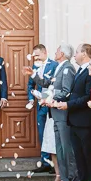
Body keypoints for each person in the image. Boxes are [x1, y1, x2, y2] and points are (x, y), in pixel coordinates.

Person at [57, 43, 91, 181]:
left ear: (85, 54)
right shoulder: (80, 70)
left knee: (88, 158)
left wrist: (68, 105)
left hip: (86, 121)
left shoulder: (90, 71)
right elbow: (73, 94)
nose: (74, 55)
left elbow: (88, 97)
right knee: (79, 158)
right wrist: (58, 101)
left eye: (77, 52)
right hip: (74, 120)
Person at [48, 44, 80, 181]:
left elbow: (66, 92)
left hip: (63, 114)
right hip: (55, 113)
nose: (55, 53)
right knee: (60, 149)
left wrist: (51, 97)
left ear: (61, 53)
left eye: (56, 50)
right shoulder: (59, 67)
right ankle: (65, 180)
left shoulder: (68, 68)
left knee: (67, 150)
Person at [26, 44, 57, 173]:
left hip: (50, 105)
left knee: (51, 133)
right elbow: (30, 84)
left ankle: (54, 163)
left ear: (45, 53)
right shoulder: (34, 67)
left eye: (37, 55)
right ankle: (45, 161)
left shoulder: (54, 65)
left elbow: (53, 85)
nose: (35, 58)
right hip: (39, 105)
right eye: (34, 56)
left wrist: (45, 97)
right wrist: (31, 99)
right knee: (41, 132)